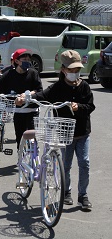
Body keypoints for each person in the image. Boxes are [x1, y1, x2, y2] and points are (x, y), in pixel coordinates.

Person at [16, 50, 95, 209]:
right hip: (65, 134)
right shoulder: (56, 88)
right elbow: (41, 96)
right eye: (71, 70)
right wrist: (25, 99)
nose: (74, 73)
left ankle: (83, 195)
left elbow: (90, 106)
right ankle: (66, 192)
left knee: (84, 162)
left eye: (77, 70)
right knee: (65, 165)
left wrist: (78, 107)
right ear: (63, 70)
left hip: (82, 132)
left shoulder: (84, 86)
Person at [0, 48, 43, 149]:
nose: (28, 62)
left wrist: (26, 95)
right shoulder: (10, 73)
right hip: (18, 110)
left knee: (32, 136)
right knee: (20, 137)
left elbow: (39, 89)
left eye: (29, 60)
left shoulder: (33, 73)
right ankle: (21, 159)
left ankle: (34, 158)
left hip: (32, 109)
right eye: (24, 60)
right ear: (16, 61)